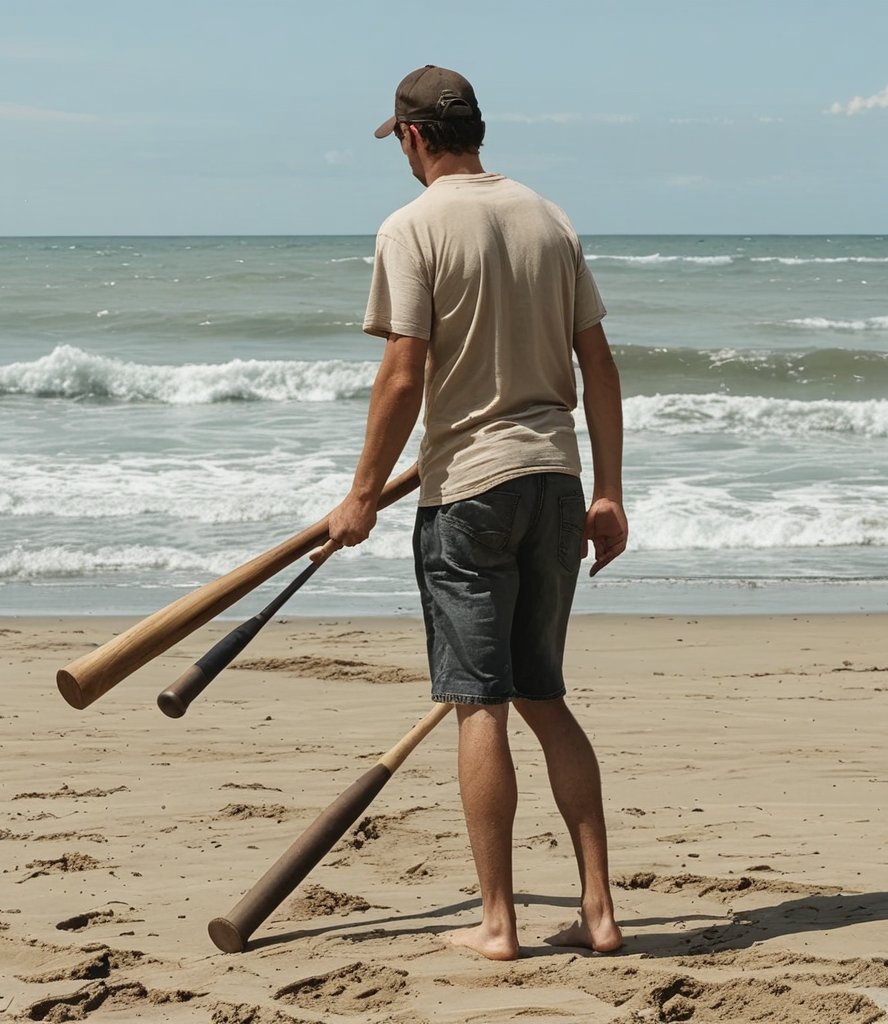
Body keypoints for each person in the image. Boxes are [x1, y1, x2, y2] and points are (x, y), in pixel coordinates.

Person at [317, 65, 626, 960]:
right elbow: (598, 367)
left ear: (413, 137)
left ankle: (498, 925)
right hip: (556, 481)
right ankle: (600, 912)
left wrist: (360, 495)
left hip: (471, 496)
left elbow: (404, 374)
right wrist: (608, 490)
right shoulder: (548, 217)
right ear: (477, 130)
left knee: (478, 704)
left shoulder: (411, 227)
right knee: (543, 694)